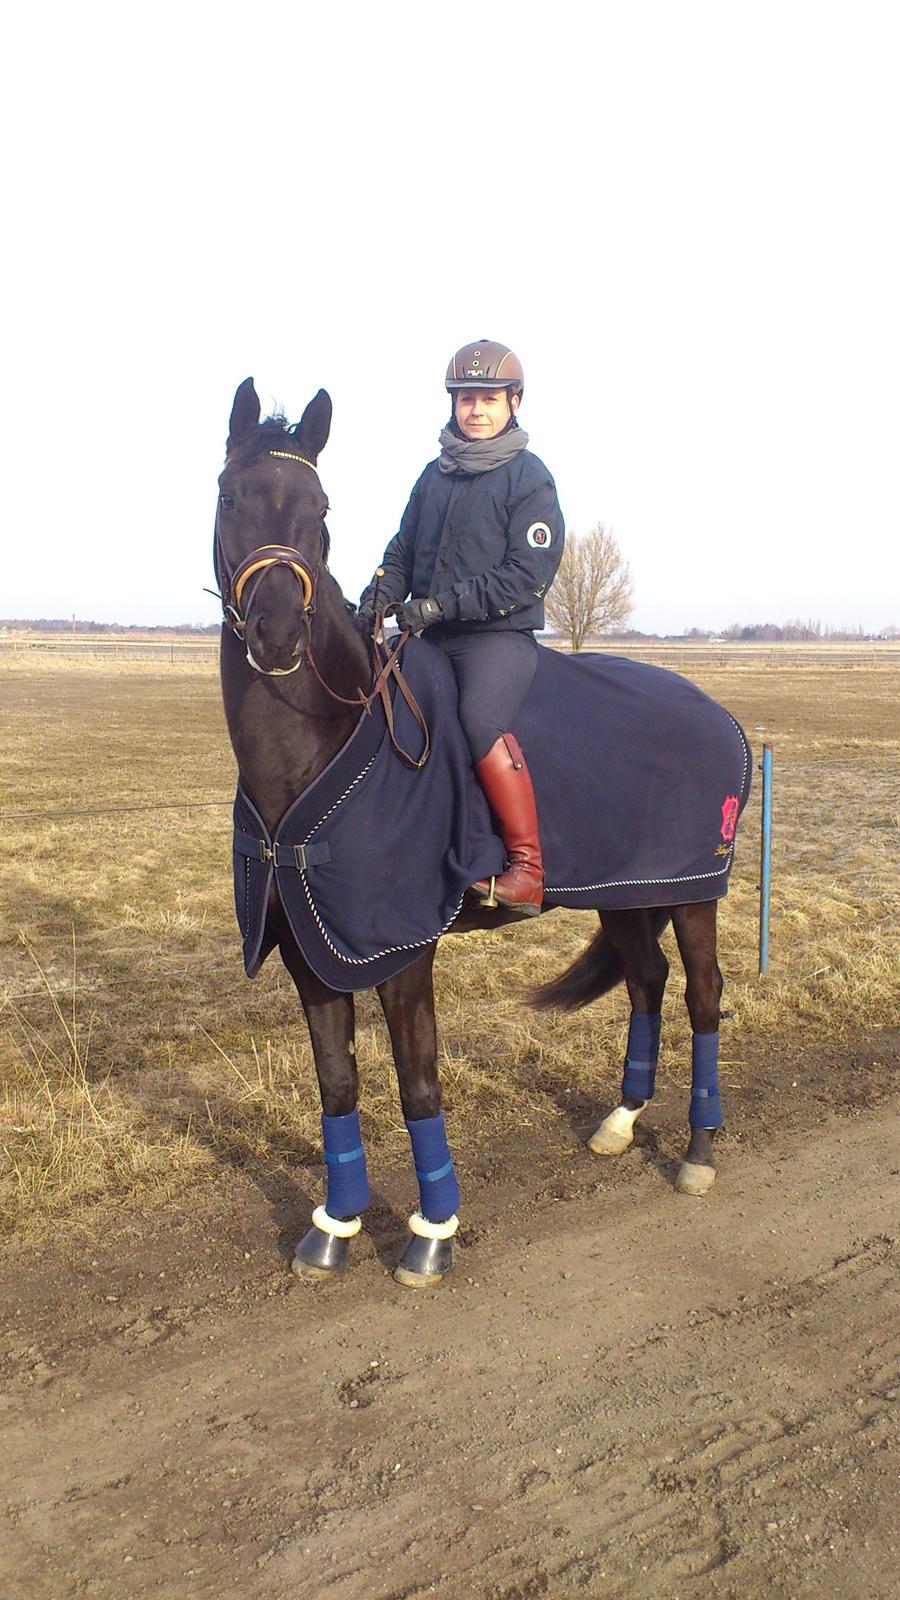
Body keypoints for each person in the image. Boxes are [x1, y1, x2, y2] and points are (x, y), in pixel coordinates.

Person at [359, 339, 565, 913]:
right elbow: (401, 549)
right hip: (430, 633)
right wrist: (378, 597)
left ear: (513, 402)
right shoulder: (433, 476)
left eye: (488, 399)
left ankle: (527, 867)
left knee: (475, 722)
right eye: (465, 399)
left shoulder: (530, 479)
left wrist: (441, 606)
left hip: (495, 638)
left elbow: (526, 574)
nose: (476, 410)